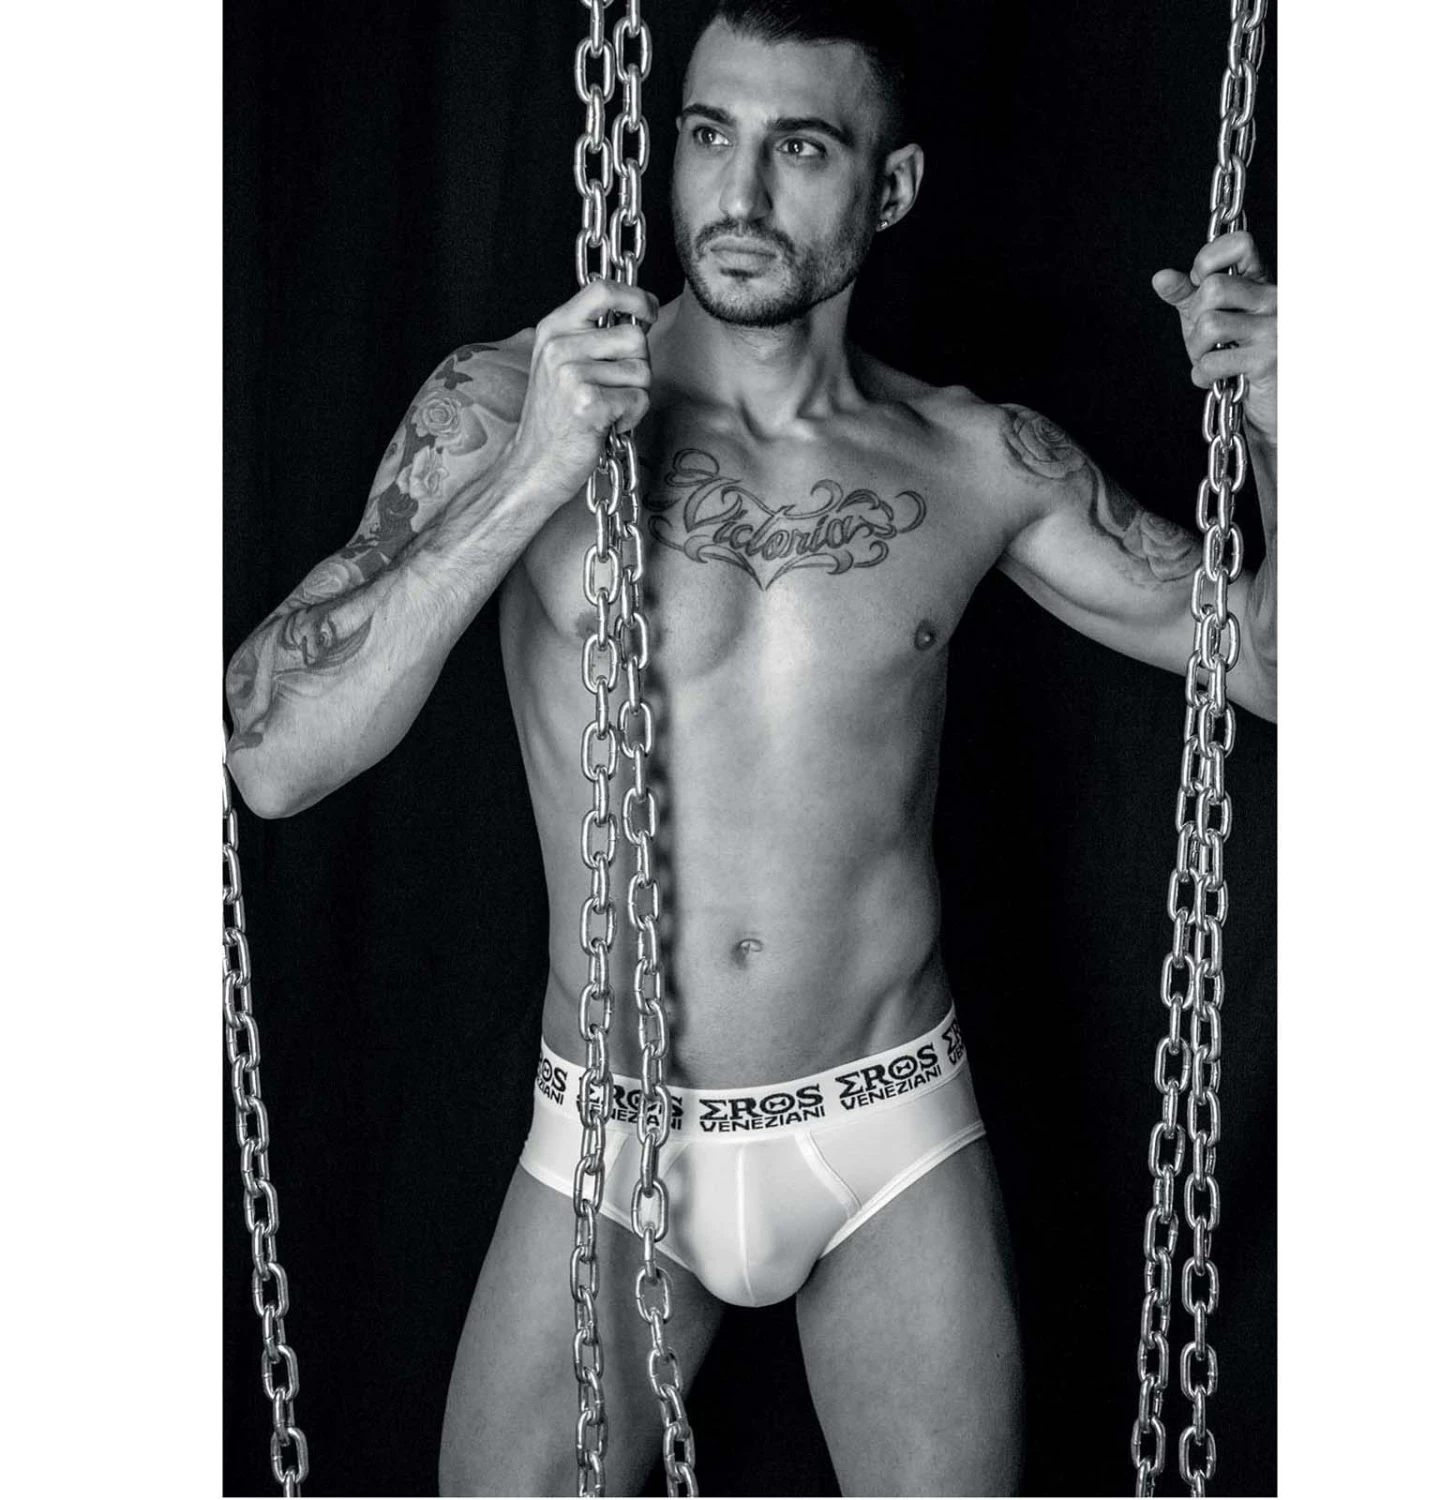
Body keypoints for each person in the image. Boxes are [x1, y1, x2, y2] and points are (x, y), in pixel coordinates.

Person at [224, 1, 1276, 1492]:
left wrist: (1285, 424)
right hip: (612, 1142)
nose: (740, 191)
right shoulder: (507, 405)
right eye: (710, 134)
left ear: (891, 189)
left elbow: (1278, 661)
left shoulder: (974, 459)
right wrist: (531, 480)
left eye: (801, 149)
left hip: (886, 1127)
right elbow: (274, 755)